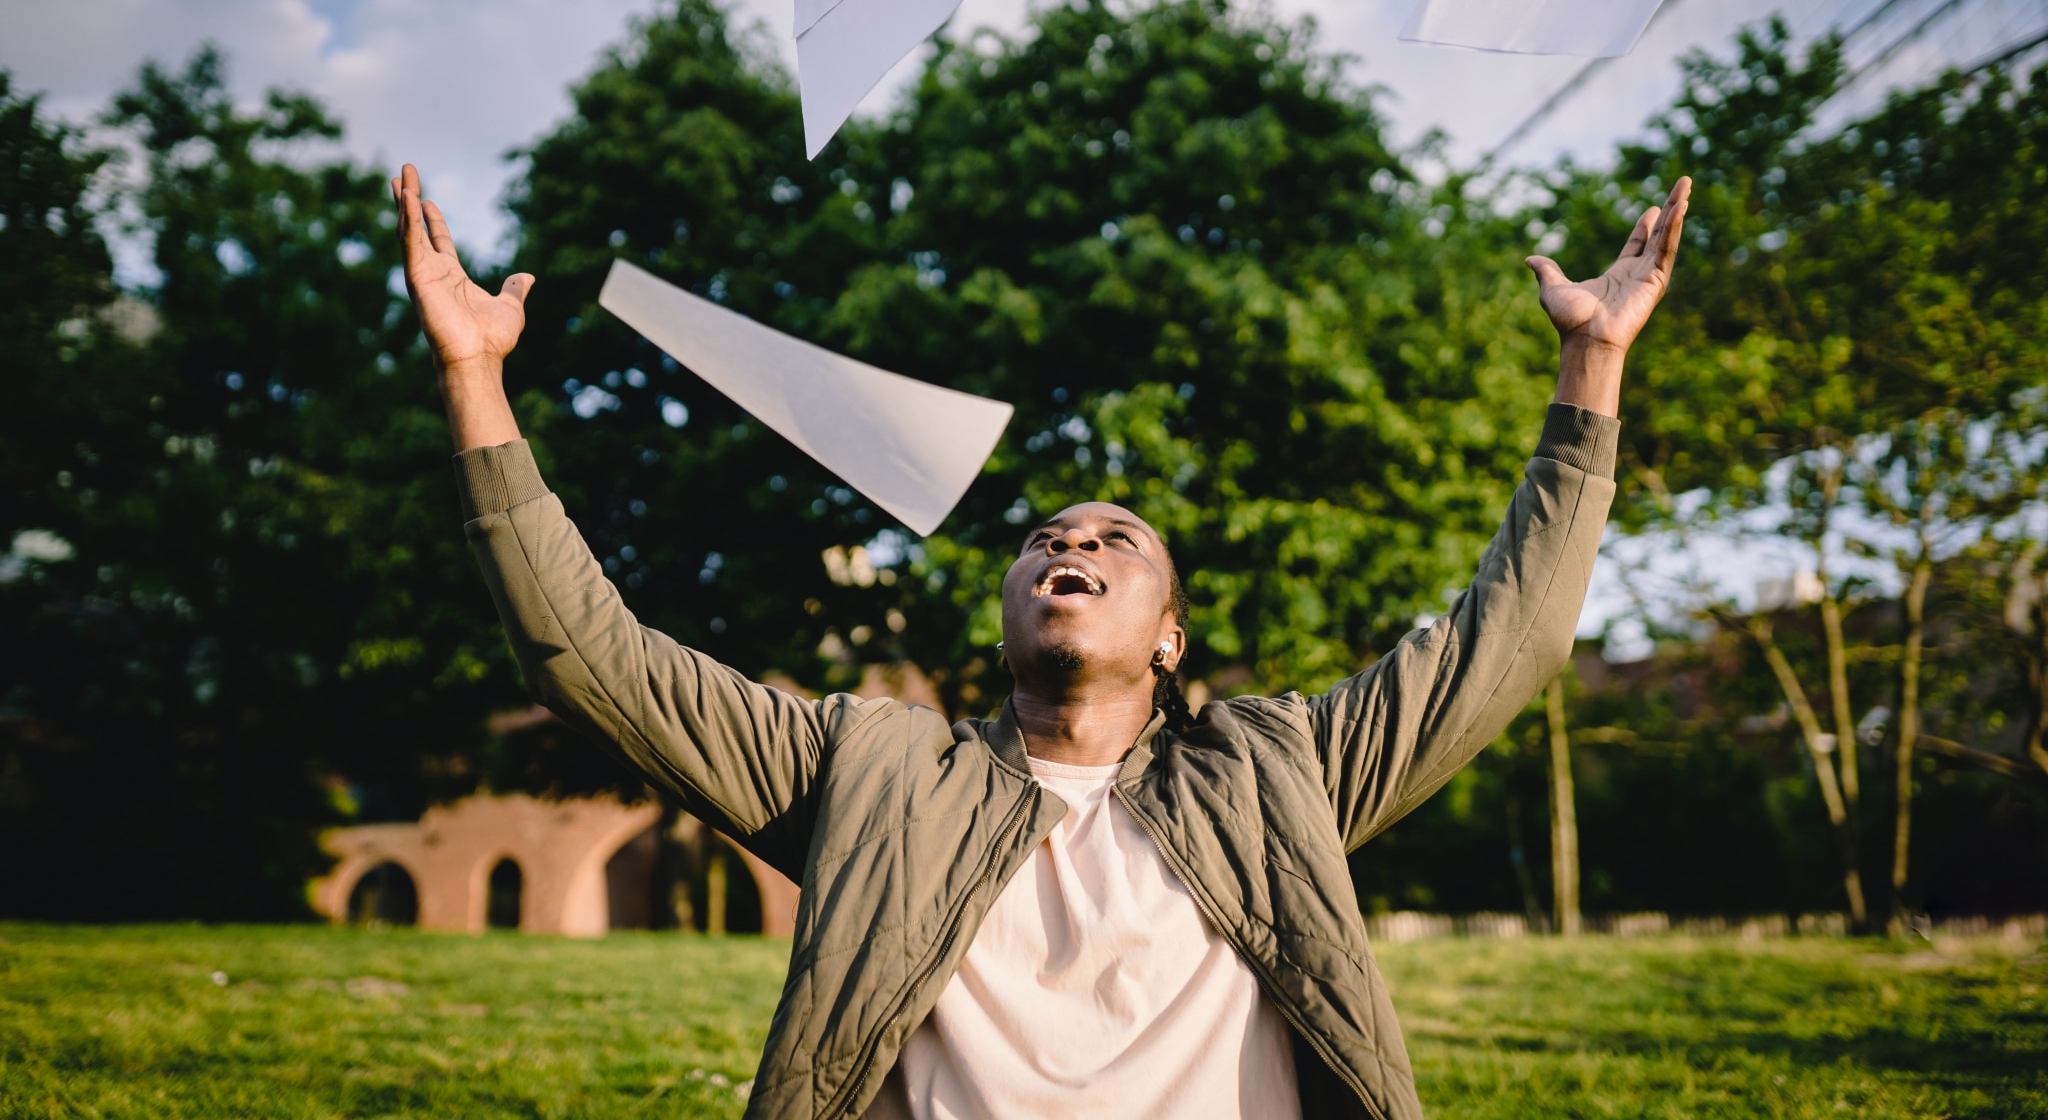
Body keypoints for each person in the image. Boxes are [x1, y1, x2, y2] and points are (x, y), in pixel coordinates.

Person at [394, 163, 1690, 1120]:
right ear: (1009, 606)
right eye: (1045, 539)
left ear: (1170, 637)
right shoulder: (873, 769)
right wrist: (475, 381)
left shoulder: (1276, 764)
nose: (1072, 545)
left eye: (1115, 540)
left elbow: (1503, 644)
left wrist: (1592, 371)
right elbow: (589, 655)